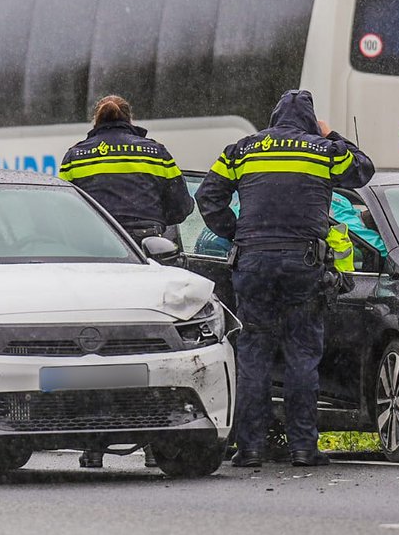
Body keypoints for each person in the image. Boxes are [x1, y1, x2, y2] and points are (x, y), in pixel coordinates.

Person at [196, 90, 374, 469]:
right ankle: (303, 448)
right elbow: (363, 170)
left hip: (253, 265)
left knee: (254, 357)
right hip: (303, 264)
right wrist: (331, 136)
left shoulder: (242, 149)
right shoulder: (323, 151)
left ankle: (250, 449)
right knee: (302, 357)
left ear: (274, 118)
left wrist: (235, 233)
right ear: (310, 121)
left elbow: (208, 195)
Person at [59, 94, 195, 468]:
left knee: (94, 351)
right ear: (130, 119)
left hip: (93, 261)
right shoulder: (154, 152)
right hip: (145, 257)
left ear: (96, 120)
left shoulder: (75, 156)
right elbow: (183, 207)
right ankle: (154, 442)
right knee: (148, 349)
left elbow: (63, 212)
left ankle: (93, 445)